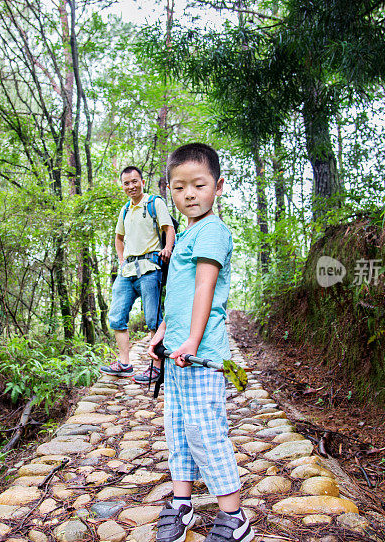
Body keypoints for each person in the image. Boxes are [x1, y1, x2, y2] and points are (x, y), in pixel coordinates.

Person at [148, 143, 253, 542]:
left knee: (205, 430)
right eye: (178, 188)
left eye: (198, 185)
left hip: (202, 356)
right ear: (169, 191)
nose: (189, 194)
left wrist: (192, 340)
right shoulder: (189, 232)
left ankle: (234, 515)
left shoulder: (212, 231)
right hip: (178, 355)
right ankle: (182, 502)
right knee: (177, 430)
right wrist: (162, 335)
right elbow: (178, 293)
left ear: (218, 186)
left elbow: (205, 289)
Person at [101, 166, 175, 384]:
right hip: (128, 271)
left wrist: (168, 249)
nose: (131, 186)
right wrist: (122, 260)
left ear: (142, 181)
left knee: (153, 319)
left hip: (150, 268)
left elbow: (168, 228)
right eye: (126, 183)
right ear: (122, 185)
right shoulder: (125, 209)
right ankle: (124, 363)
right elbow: (119, 238)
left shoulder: (154, 203)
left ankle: (156, 368)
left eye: (134, 181)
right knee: (116, 315)